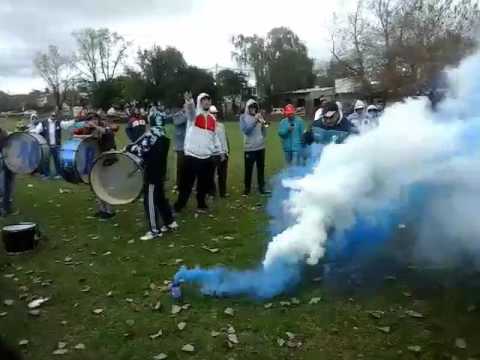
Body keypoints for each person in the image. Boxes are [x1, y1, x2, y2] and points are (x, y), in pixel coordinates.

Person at [127, 126, 178, 240]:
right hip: (160, 174)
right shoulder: (162, 138)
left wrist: (129, 147)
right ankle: (170, 222)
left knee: (149, 201)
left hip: (152, 176)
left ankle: (154, 231)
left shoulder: (150, 138)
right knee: (160, 199)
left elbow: (140, 151)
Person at [174, 92, 219, 213]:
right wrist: (189, 101)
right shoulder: (193, 116)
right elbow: (190, 110)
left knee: (203, 185)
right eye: (204, 100)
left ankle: (201, 204)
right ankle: (179, 205)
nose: (207, 102)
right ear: (200, 101)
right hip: (192, 155)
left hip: (207, 156)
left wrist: (219, 151)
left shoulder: (212, 118)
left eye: (208, 100)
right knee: (186, 185)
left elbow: (214, 137)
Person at [74, 114, 119, 219]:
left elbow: (103, 132)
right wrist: (82, 133)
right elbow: (82, 135)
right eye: (90, 120)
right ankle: (101, 209)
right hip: (98, 159)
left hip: (107, 159)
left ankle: (109, 211)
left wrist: (93, 126)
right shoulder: (92, 129)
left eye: (94, 120)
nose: (92, 122)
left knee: (103, 185)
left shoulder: (105, 127)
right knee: (95, 185)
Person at [30, 112, 76, 179]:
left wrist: (75, 120)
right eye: (52, 116)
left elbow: (67, 124)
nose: (53, 117)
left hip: (56, 145)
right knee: (46, 161)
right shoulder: (43, 123)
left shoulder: (59, 122)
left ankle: (59, 174)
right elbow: (37, 130)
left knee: (57, 160)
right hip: (47, 146)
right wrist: (30, 131)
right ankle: (46, 174)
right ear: (50, 115)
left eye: (54, 116)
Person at [240, 99, 269, 195]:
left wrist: (264, 125)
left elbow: (265, 130)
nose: (253, 109)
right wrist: (255, 121)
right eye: (251, 107)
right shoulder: (243, 117)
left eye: (255, 107)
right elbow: (246, 131)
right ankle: (247, 189)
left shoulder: (259, 117)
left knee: (261, 169)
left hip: (260, 147)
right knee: (248, 169)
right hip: (249, 148)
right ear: (248, 108)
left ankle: (262, 188)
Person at [210, 105, 229, 198]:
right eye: (212, 113)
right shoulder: (206, 126)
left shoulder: (221, 126)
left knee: (223, 175)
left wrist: (226, 151)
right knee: (210, 175)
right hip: (213, 154)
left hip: (223, 153)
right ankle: (212, 193)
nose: (214, 115)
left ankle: (223, 193)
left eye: (215, 113)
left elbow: (224, 139)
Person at [0, 127, 15, 216]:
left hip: (5, 161)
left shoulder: (4, 133)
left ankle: (5, 208)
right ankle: (5, 208)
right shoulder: (4, 134)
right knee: (6, 186)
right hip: (5, 161)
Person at [173, 106, 188, 189]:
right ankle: (179, 184)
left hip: (189, 145)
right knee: (180, 166)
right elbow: (177, 122)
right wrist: (187, 114)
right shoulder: (178, 115)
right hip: (180, 146)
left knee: (189, 166)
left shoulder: (189, 115)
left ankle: (187, 183)